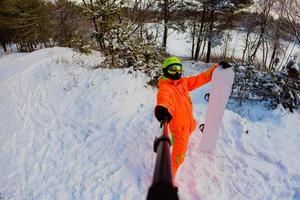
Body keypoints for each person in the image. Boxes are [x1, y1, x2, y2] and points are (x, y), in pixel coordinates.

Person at [154, 56, 231, 182]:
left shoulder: (183, 83)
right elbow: (164, 99)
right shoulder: (166, 88)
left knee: (190, 129)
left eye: (179, 68)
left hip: (189, 124)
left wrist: (216, 69)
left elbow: (200, 78)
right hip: (180, 129)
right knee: (178, 158)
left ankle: (173, 138)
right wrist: (162, 109)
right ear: (165, 71)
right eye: (173, 69)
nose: (177, 72)